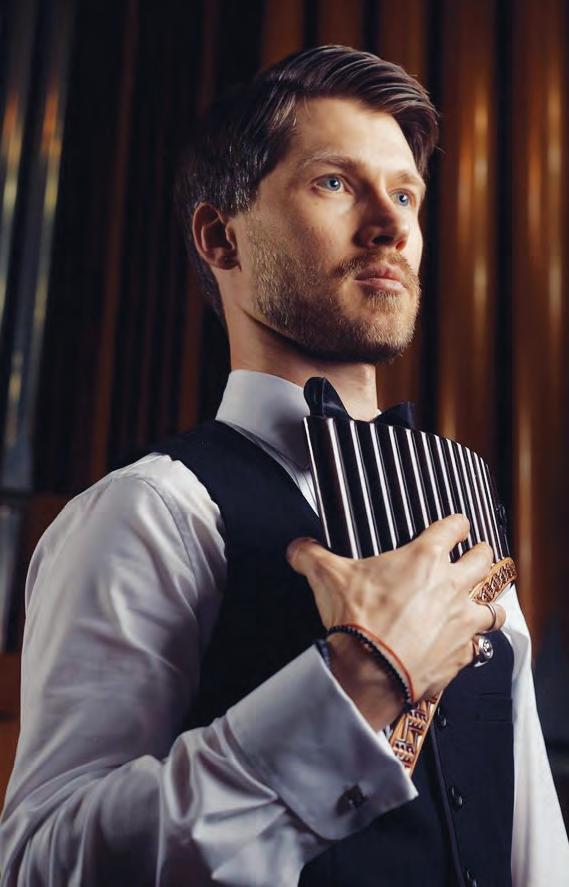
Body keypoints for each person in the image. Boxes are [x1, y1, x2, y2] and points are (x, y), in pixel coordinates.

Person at [0, 44, 567, 886]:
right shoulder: (150, 512)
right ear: (220, 237)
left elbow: (533, 846)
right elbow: (41, 862)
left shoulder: (459, 509)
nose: (391, 225)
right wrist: (356, 682)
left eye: (404, 194)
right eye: (334, 183)